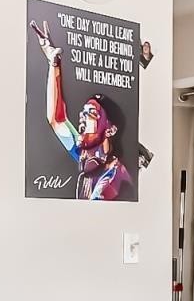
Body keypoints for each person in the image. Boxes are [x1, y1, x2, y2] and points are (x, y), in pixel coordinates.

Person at [32, 17, 131, 200]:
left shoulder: (112, 178)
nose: (83, 118)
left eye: (92, 114)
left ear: (110, 129)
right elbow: (57, 119)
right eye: (83, 113)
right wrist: (54, 64)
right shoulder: (88, 156)